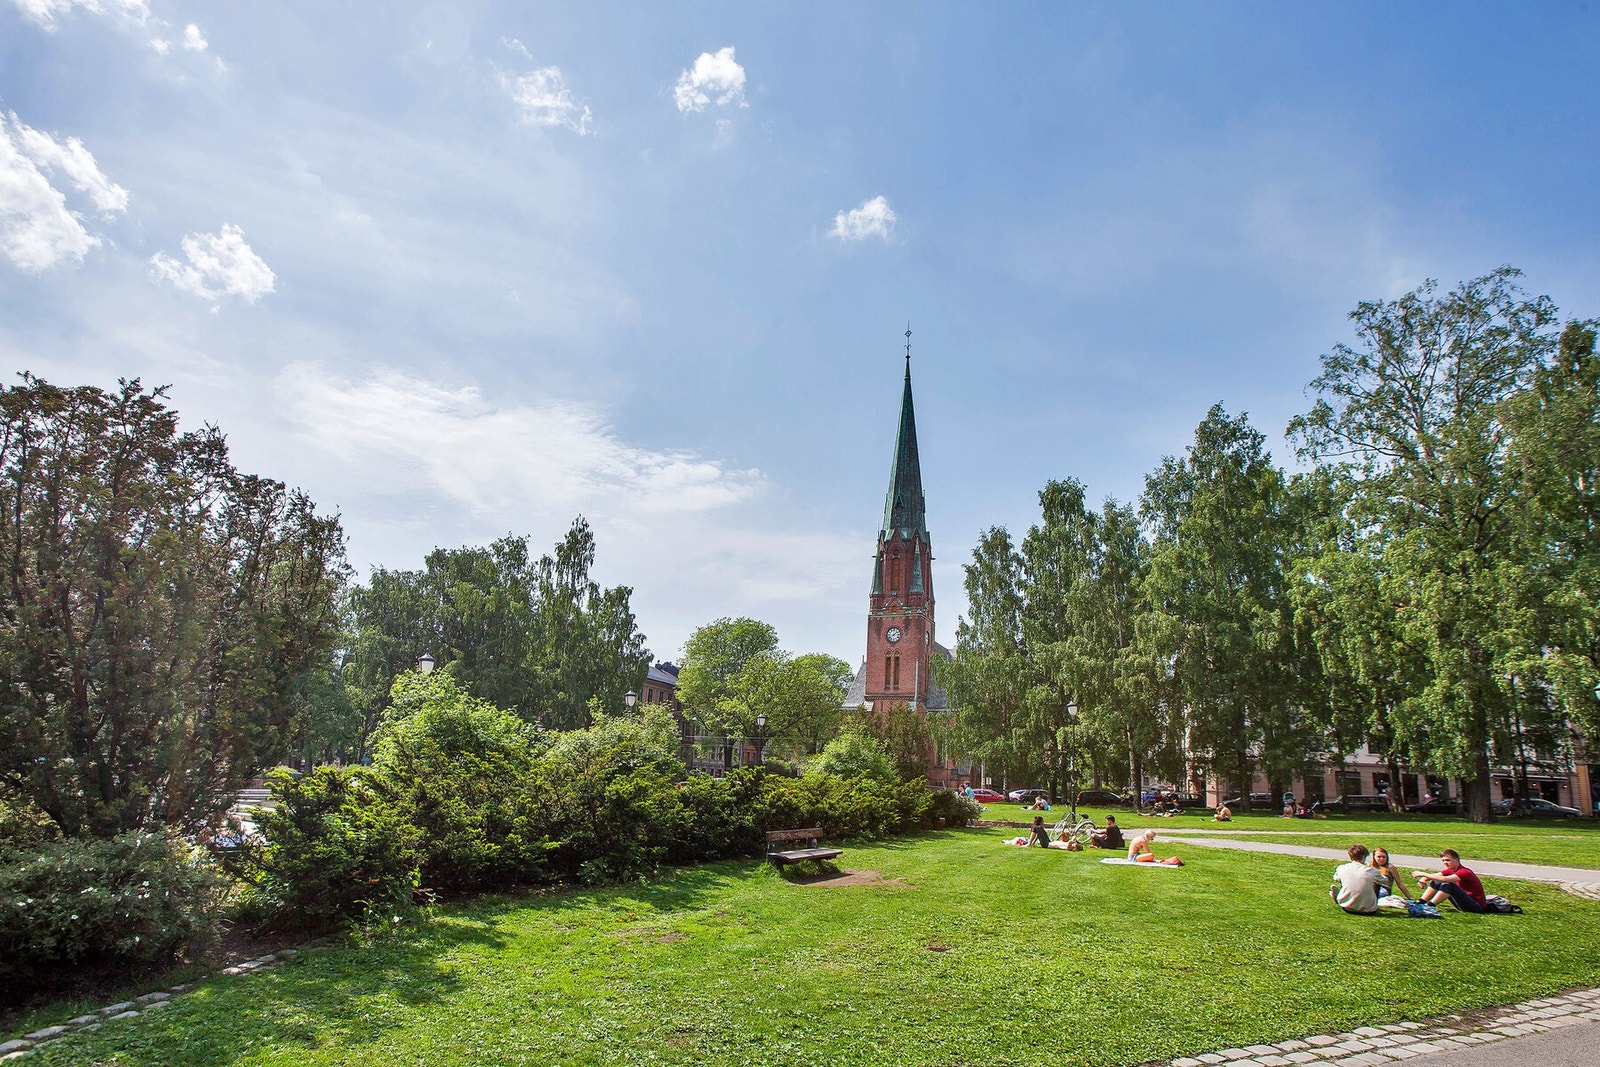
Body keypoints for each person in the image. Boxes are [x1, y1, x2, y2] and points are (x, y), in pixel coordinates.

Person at [1414, 849, 1487, 913]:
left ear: (1456, 860)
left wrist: (1422, 873)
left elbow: (1445, 879)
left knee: (1449, 885)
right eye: (1443, 860)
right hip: (1463, 903)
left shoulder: (1464, 871)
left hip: (1476, 906)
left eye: (1448, 860)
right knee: (1437, 879)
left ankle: (1429, 906)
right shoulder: (1450, 870)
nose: (1445, 863)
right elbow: (1435, 876)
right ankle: (1421, 903)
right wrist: (1423, 879)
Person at [1331, 843, 1385, 914]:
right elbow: (1385, 881)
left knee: (1346, 880)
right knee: (1376, 882)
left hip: (1347, 907)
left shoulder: (1342, 868)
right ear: (1364, 856)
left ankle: (1342, 897)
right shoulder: (1372, 871)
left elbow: (1336, 878)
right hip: (1369, 910)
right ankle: (1367, 903)